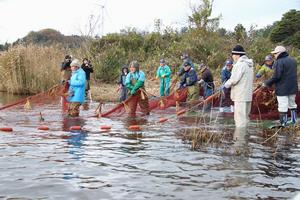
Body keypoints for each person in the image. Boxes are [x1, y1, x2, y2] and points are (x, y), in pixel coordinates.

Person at [264, 46, 298, 126]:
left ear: (280, 53)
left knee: (283, 106)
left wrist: (267, 83)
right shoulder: (293, 60)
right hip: (293, 87)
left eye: (275, 53)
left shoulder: (279, 62)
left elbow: (276, 76)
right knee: (292, 104)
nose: (274, 55)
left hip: (282, 88)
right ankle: (293, 121)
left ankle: (283, 123)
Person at [224, 45, 254, 128]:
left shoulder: (239, 65)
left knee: (240, 119)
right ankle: (245, 138)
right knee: (245, 118)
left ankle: (240, 139)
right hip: (247, 96)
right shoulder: (249, 65)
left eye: (233, 55)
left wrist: (226, 85)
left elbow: (234, 79)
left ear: (237, 55)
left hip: (240, 96)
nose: (232, 57)